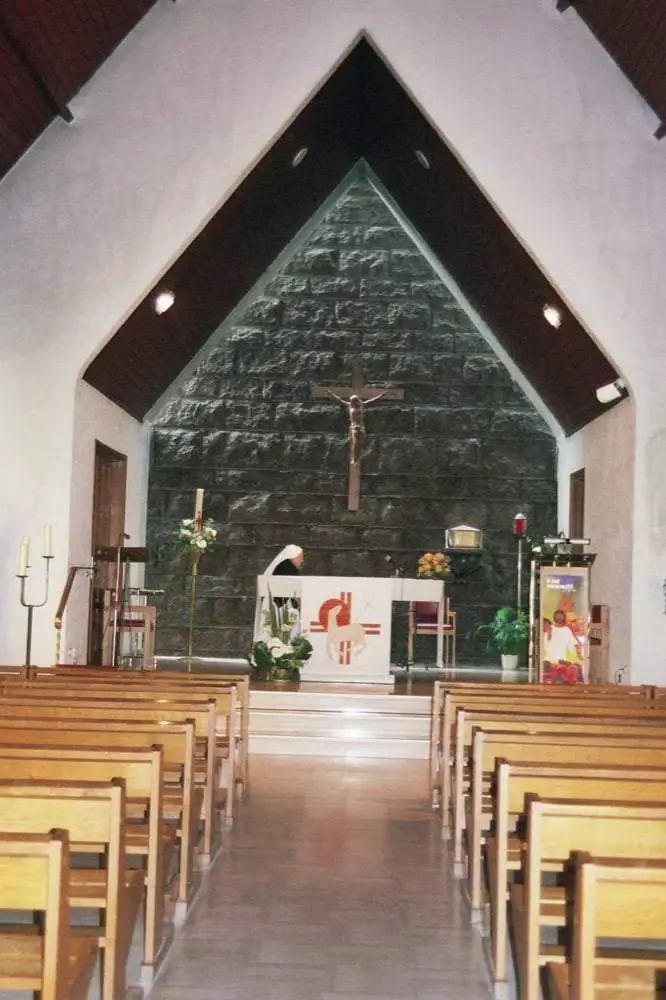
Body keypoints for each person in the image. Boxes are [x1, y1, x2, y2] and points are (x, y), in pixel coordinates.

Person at [324, 390, 387, 465]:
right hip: (354, 427)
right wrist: (331, 394)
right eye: (354, 400)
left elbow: (372, 400)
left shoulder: (362, 404)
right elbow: (339, 400)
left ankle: (357, 459)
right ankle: (354, 459)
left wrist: (381, 395)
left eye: (356, 400)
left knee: (360, 444)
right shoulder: (349, 405)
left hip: (361, 426)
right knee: (355, 443)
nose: (356, 402)